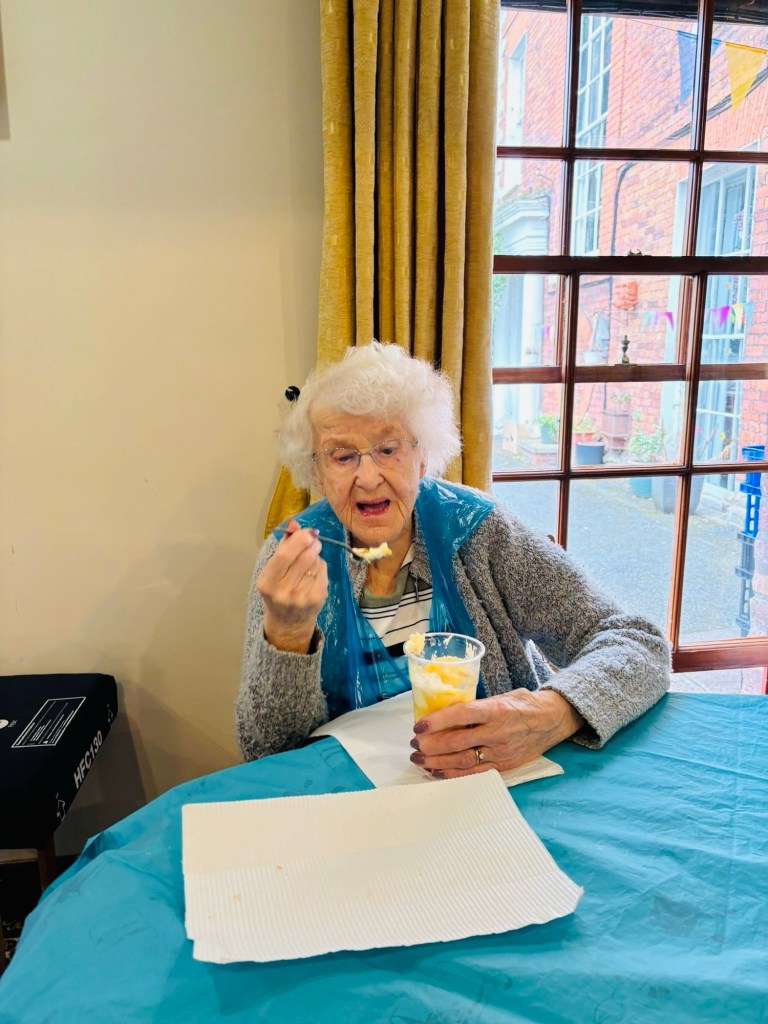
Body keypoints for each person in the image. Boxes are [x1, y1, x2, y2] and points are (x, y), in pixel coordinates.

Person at [236, 342, 670, 777]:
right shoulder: (293, 560)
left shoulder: (479, 531)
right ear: (316, 471)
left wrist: (551, 712)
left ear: (423, 457)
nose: (368, 478)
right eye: (343, 456)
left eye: (388, 449)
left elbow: (637, 642)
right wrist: (288, 635)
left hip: (496, 786)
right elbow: (265, 752)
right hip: (351, 803)